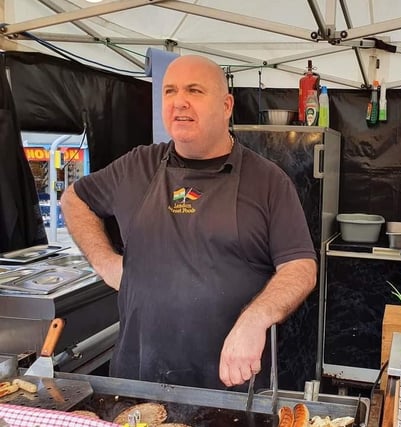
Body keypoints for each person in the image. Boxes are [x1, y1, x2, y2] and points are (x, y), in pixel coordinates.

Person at [60, 55, 317, 391]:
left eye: (194, 91)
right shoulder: (136, 166)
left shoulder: (268, 182)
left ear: (226, 106)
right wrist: (106, 262)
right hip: (138, 382)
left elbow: (300, 267)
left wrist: (256, 319)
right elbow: (74, 199)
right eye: (169, 91)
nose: (179, 102)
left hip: (230, 387)